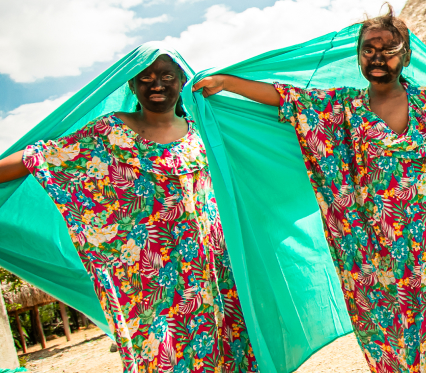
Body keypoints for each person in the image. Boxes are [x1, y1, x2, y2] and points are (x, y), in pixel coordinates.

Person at [193, 9, 426, 373]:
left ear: (406, 55)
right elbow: (286, 98)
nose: (377, 57)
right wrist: (227, 83)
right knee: (392, 337)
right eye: (368, 49)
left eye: (388, 49)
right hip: (375, 251)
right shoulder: (344, 108)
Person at [0, 54, 258, 373]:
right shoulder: (112, 133)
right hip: (158, 279)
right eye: (146, 77)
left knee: (231, 349)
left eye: (167, 75)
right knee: (171, 357)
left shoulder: (202, 129)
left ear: (181, 81)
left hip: (217, 267)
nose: (157, 84)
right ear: (132, 86)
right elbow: (40, 158)